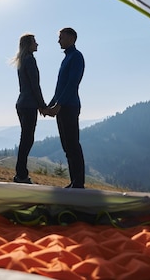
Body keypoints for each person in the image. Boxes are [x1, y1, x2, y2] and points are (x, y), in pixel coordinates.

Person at [44, 27, 86, 189]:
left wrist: (58, 105)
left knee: (73, 145)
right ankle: (74, 182)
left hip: (69, 106)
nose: (58, 41)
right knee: (67, 146)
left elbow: (72, 83)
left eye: (61, 37)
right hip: (63, 106)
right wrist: (50, 105)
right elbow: (60, 87)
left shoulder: (76, 56)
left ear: (71, 38)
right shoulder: (67, 58)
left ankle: (78, 183)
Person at [11, 33, 47, 184]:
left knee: (25, 138)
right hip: (29, 105)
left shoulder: (22, 61)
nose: (37, 44)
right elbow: (35, 85)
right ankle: (21, 175)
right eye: (34, 42)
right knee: (27, 139)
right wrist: (42, 105)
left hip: (22, 103)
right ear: (29, 44)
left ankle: (21, 173)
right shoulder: (30, 60)